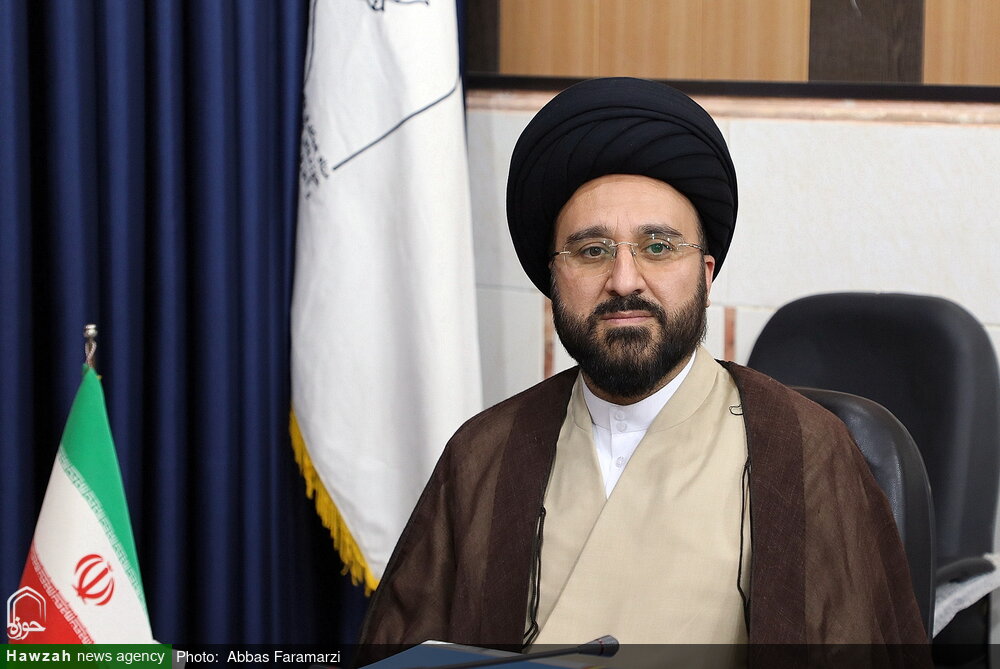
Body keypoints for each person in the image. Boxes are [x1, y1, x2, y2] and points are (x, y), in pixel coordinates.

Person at [357, 78, 930, 666]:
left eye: (658, 247)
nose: (625, 280)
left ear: (705, 274)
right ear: (554, 282)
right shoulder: (485, 453)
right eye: (592, 251)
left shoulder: (802, 450)